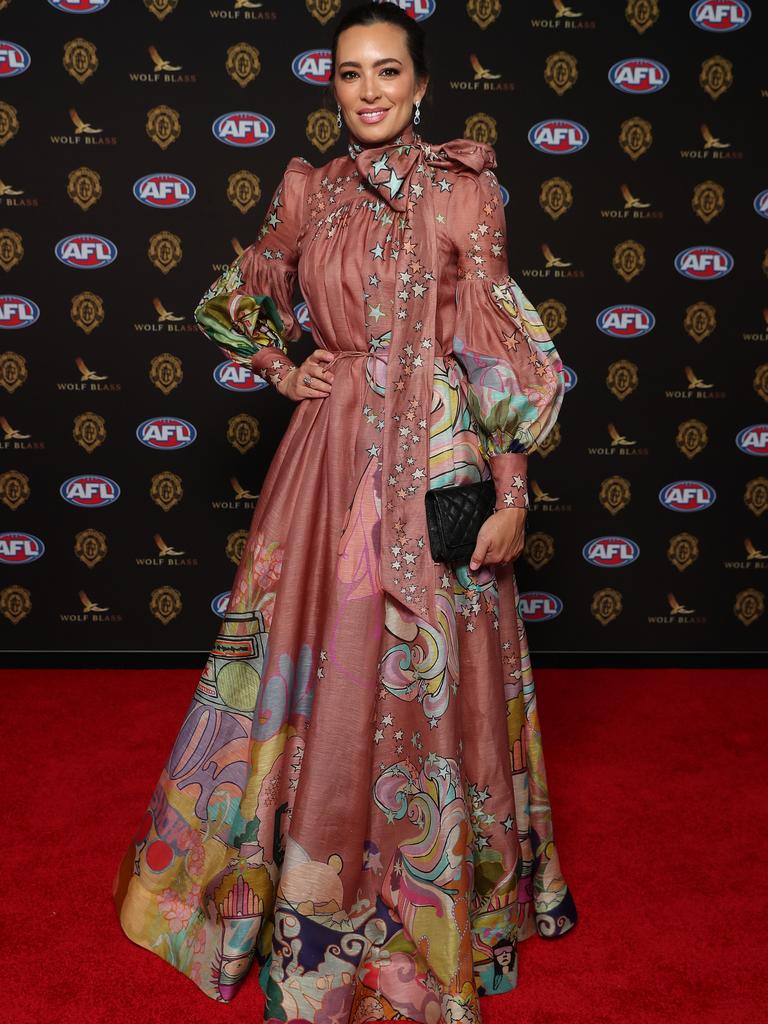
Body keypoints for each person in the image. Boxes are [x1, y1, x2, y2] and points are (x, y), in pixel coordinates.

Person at [111, 4, 578, 1021]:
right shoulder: (309, 191)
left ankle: (427, 901)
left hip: (436, 462)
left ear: (422, 86)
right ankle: (298, 884)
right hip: (326, 464)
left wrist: (512, 491)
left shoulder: (466, 190)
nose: (368, 90)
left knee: (426, 678)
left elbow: (493, 340)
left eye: (388, 72)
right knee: (315, 656)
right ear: (333, 87)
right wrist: (284, 364)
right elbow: (235, 296)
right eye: (349, 73)